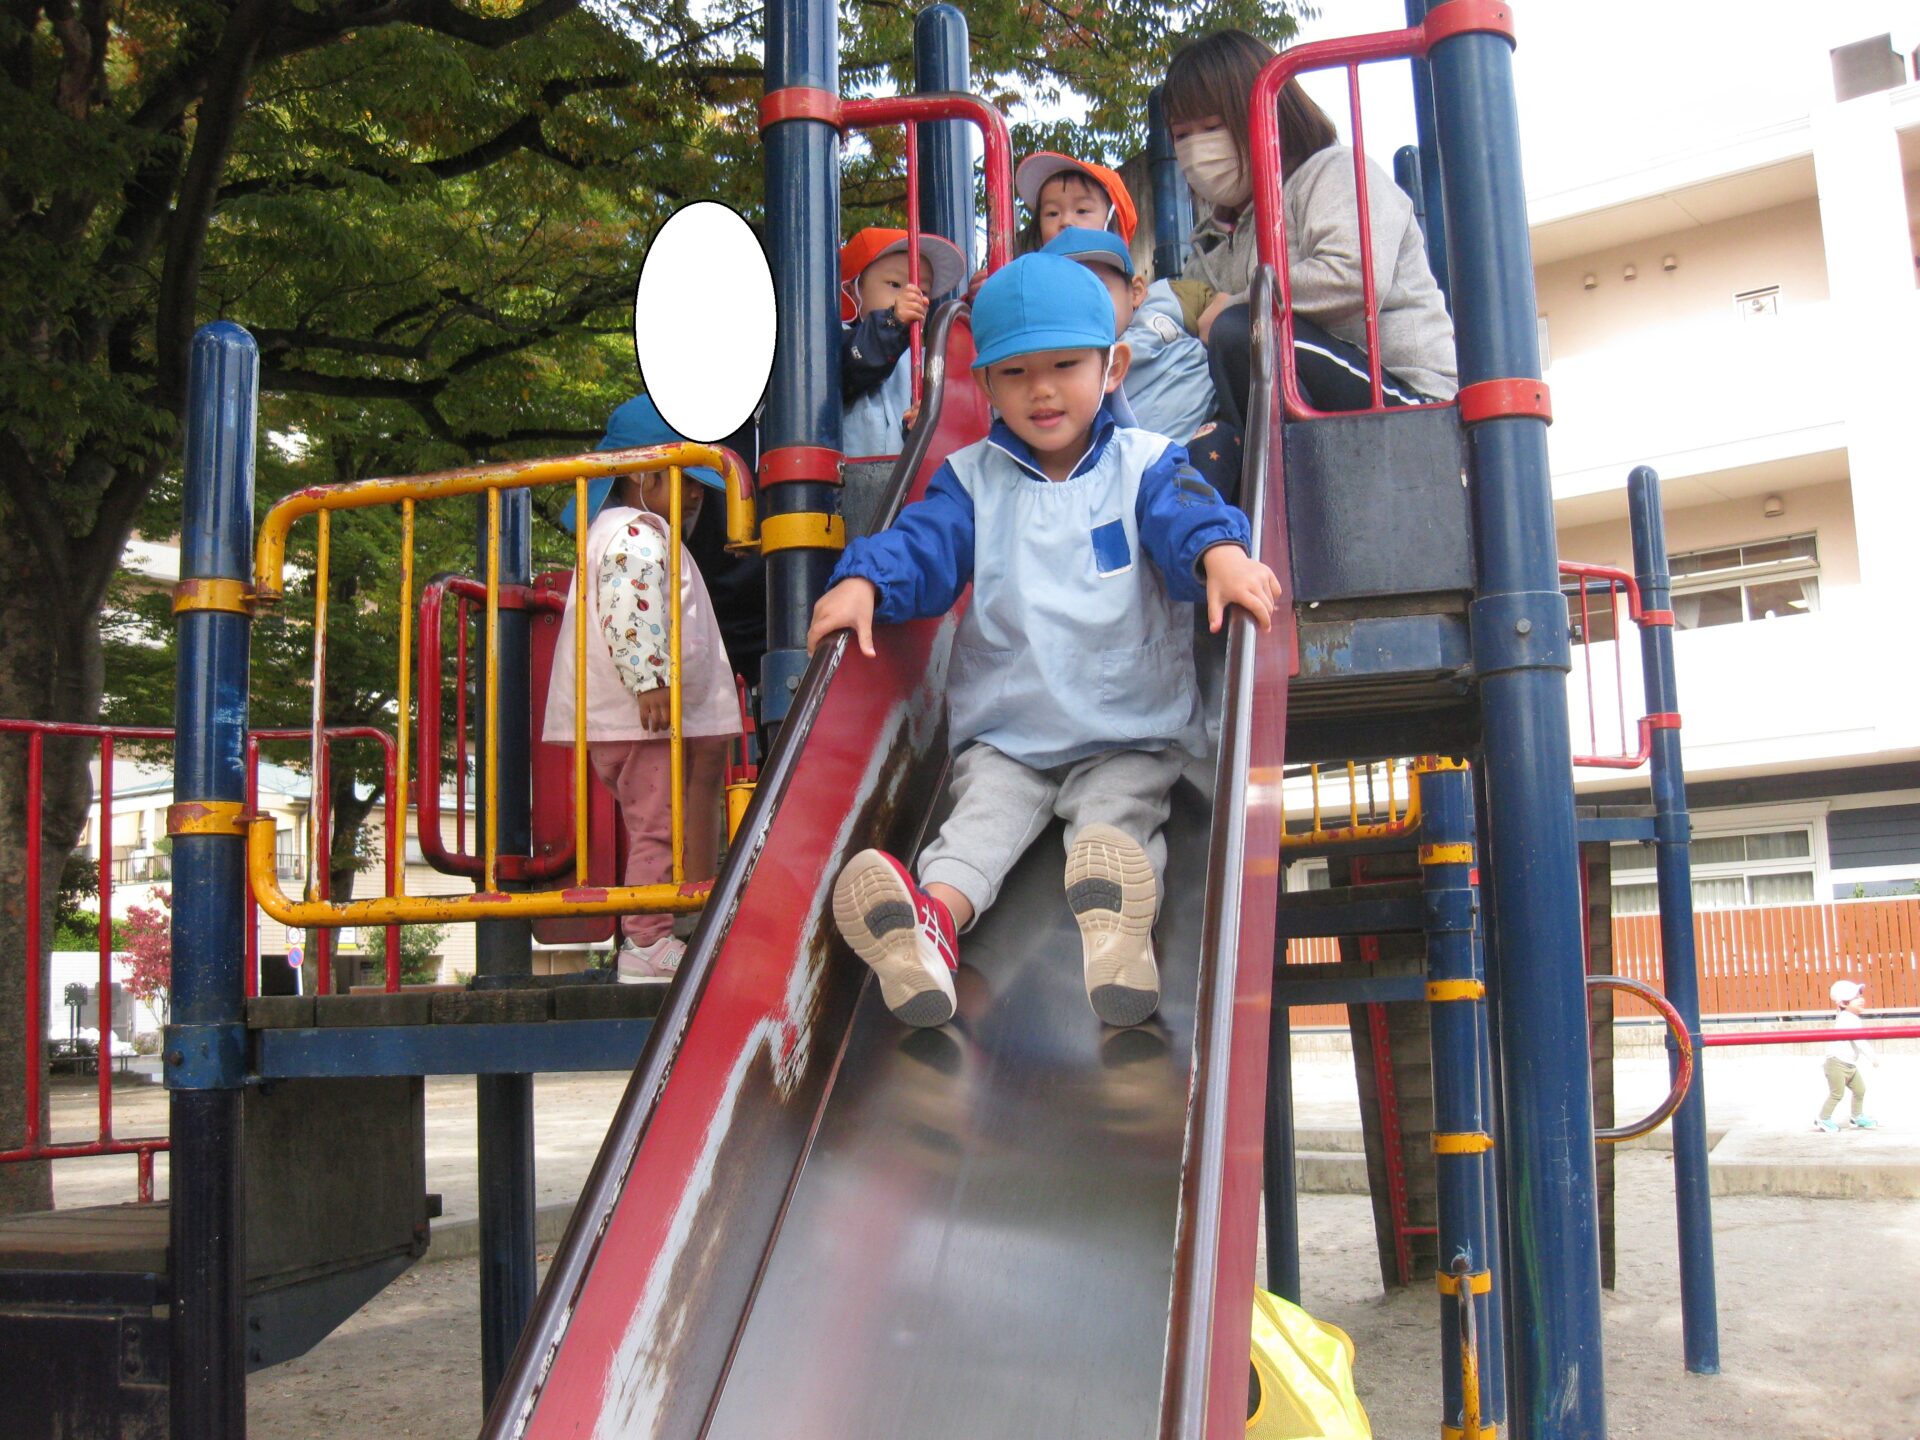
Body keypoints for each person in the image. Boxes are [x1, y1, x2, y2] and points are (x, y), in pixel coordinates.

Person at [805, 254, 1282, 1029]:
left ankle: (1119, 933)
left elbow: (1186, 517)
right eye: (1016, 374)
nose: (1043, 391)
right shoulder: (970, 480)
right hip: (1011, 735)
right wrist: (866, 580)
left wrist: (1220, 555)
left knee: (1115, 820)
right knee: (976, 827)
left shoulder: (1146, 464)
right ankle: (930, 925)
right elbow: (923, 546)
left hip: (1127, 727)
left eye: (1065, 366)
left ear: (1112, 366)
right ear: (986, 386)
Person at [1161, 28, 1457, 425]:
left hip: (1406, 395)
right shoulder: (1207, 244)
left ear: (1265, 116)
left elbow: (1353, 278)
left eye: (1212, 128)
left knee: (1244, 331)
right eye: (1182, 135)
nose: (1197, 150)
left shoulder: (1334, 172)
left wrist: (1237, 304)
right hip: (1303, 392)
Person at [543, 396, 742, 982]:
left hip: (634, 717)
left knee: (656, 821)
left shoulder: (629, 531)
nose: (697, 496)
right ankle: (647, 941)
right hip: (644, 717)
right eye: (687, 481)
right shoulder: (636, 533)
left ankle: (657, 931)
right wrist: (650, 680)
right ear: (642, 475)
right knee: (658, 825)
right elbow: (630, 607)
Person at [1039, 227, 1243, 501]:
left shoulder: (1166, 302)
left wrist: (1215, 320)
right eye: (1064, 298)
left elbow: (1220, 307)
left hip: (1202, 428)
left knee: (1218, 442)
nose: (1082, 307)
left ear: (1135, 292)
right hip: (1137, 467)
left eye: (1098, 290)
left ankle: (1201, 522)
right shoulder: (1060, 359)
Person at [840, 227, 968, 456]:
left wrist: (925, 425)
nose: (912, 297)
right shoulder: (835, 341)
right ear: (852, 290)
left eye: (923, 291)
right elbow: (853, 364)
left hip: (902, 475)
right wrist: (892, 321)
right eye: (895, 285)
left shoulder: (925, 361)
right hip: (844, 477)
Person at [1015, 150, 1139, 253]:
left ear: (1112, 221)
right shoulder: (1030, 273)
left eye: (1081, 210)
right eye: (1052, 213)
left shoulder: (1117, 276)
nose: (1066, 221)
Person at [1816, 978, 1880, 1131]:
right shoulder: (1847, 1019)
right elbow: (1860, 1040)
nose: (1861, 999)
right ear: (1844, 1003)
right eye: (1855, 998)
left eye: (1860, 996)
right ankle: (1823, 1119)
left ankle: (1856, 1116)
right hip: (1836, 1063)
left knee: (1860, 1089)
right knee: (1837, 1094)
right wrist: (1872, 1057)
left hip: (1849, 1064)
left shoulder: (1850, 1017)